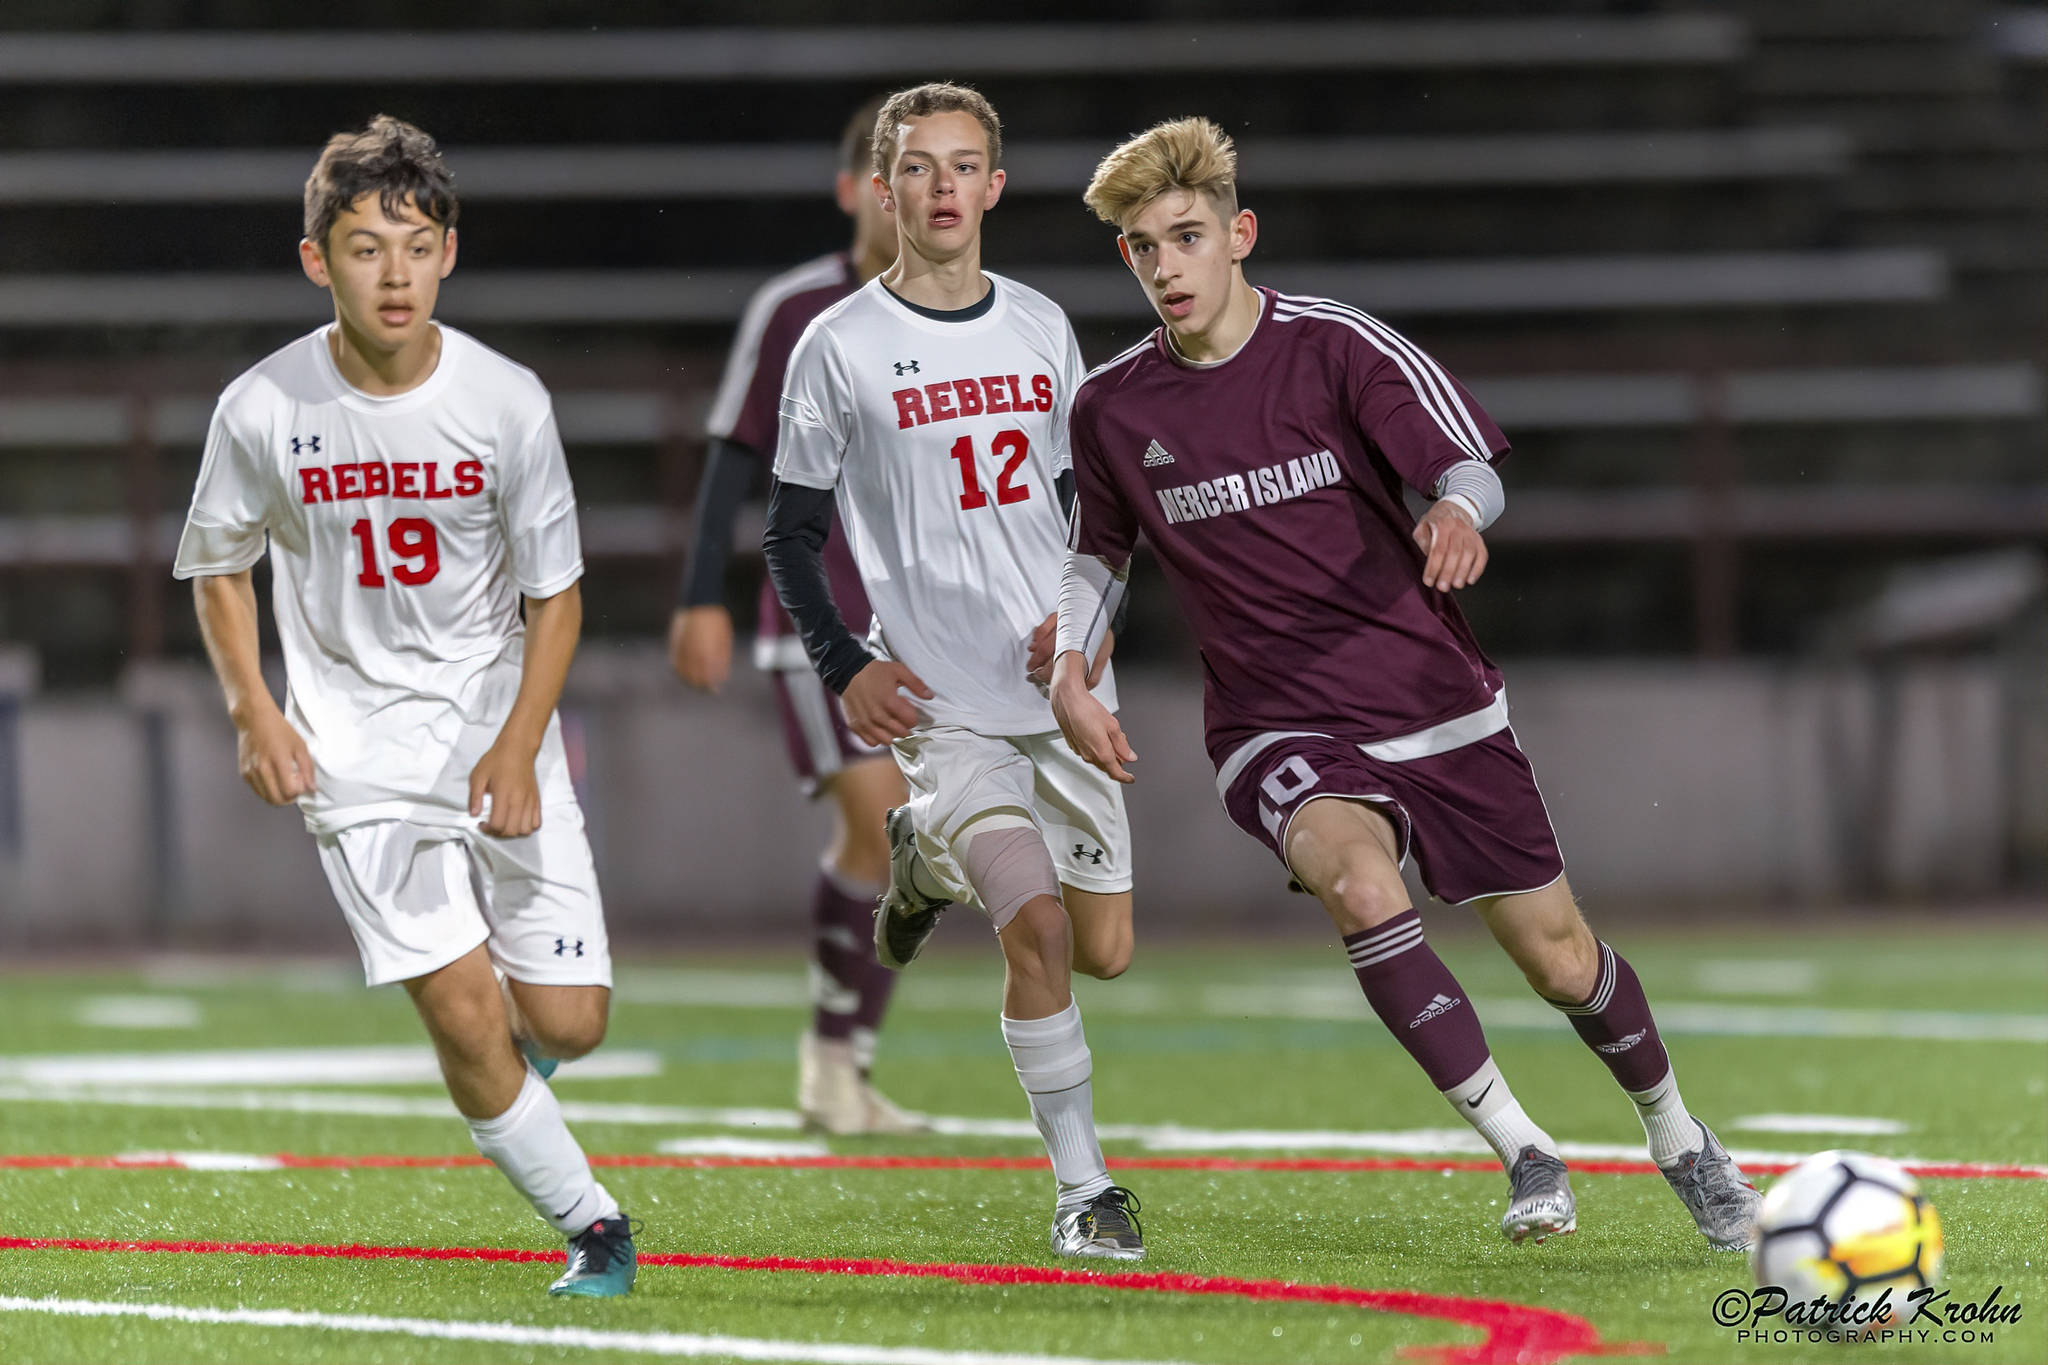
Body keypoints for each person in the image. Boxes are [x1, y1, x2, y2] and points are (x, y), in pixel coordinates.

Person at [1049, 116, 1762, 1250]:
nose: (1164, 266)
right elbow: (1098, 552)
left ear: (1238, 234)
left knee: (1559, 957)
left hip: (1432, 700)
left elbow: (1463, 462)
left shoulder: (1336, 347)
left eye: (1184, 236)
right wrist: (1072, 669)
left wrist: (1452, 511)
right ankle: (1523, 1150)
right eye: (1140, 248)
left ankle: (1679, 1139)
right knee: (1359, 886)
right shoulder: (1111, 406)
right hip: (1271, 721)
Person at [172, 116, 637, 1295]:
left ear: (448, 254)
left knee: (570, 1022)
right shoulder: (261, 405)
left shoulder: (505, 399)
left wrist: (523, 745)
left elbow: (557, 595)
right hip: (355, 762)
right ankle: (593, 1226)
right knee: (465, 1014)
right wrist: (254, 712)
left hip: (495, 740)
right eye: (366, 247)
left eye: (416, 245)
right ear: (315, 259)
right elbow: (219, 565)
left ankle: (511, 1077)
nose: (394, 273)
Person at [762, 83, 1142, 1260]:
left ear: (994, 186)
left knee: (1103, 948)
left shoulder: (1038, 325)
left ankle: (919, 861)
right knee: (1031, 928)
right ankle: (1085, 1192)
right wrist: (843, 665)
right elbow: (787, 534)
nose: (939, 188)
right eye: (916, 167)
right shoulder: (836, 346)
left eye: (962, 165)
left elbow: (1098, 517)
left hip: (1061, 690)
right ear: (884, 189)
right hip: (941, 703)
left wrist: (1093, 628)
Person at [669, 98, 925, 1137]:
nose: (902, 194)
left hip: (927, 619)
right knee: (882, 819)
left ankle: (842, 1062)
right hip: (818, 612)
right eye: (885, 174)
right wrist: (699, 595)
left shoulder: (965, 316)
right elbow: (735, 450)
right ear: (851, 188)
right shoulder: (795, 309)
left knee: (913, 842)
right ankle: (830, 1066)